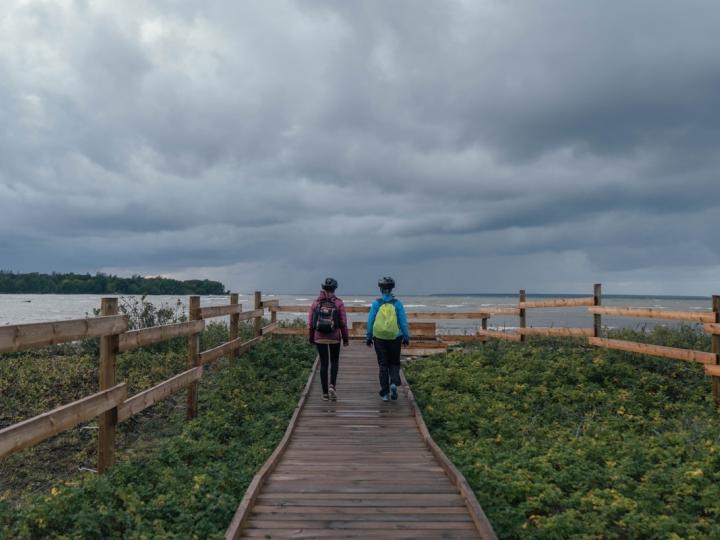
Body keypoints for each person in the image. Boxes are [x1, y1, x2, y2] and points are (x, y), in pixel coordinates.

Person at [366, 276, 410, 401]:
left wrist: (369, 336)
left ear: (380, 289)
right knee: (394, 362)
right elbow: (403, 322)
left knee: (383, 364)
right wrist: (406, 337)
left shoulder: (376, 303)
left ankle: (385, 393)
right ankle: (393, 383)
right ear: (391, 289)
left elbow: (370, 321)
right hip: (395, 337)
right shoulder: (397, 304)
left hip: (379, 337)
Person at [308, 277, 349, 401]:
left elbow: (311, 324)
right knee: (334, 362)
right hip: (334, 337)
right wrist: (345, 339)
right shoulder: (339, 303)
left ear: (323, 288)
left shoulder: (315, 303)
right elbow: (343, 323)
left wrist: (311, 338)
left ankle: (325, 393)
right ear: (334, 289)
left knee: (324, 363)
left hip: (320, 338)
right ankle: (332, 386)